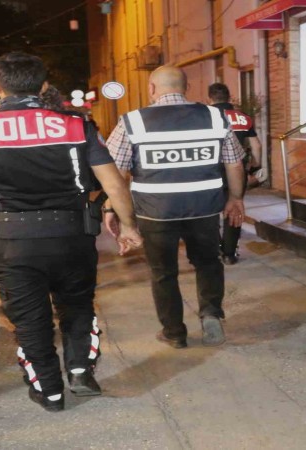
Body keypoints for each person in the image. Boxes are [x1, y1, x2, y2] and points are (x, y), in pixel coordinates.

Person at [0, 52, 142, 412]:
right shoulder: (77, 127)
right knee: (77, 305)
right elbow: (114, 183)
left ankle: (49, 390)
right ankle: (80, 371)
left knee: (30, 318)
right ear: (43, 85)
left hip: (10, 240)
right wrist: (127, 225)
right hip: (71, 236)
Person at [104, 66, 245, 349]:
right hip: (204, 208)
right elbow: (234, 163)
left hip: (155, 212)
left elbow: (114, 174)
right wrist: (235, 198)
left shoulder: (133, 121)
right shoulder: (215, 117)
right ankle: (211, 314)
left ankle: (174, 332)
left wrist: (113, 209)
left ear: (151, 89)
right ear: (186, 88)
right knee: (207, 262)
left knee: (163, 272)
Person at [207, 82, 262, 265]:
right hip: (237, 170)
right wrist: (255, 166)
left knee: (209, 211)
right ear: (229, 97)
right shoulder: (243, 117)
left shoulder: (205, 117)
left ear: (210, 98)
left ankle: (215, 248)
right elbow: (256, 145)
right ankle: (229, 253)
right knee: (235, 207)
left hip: (211, 171)